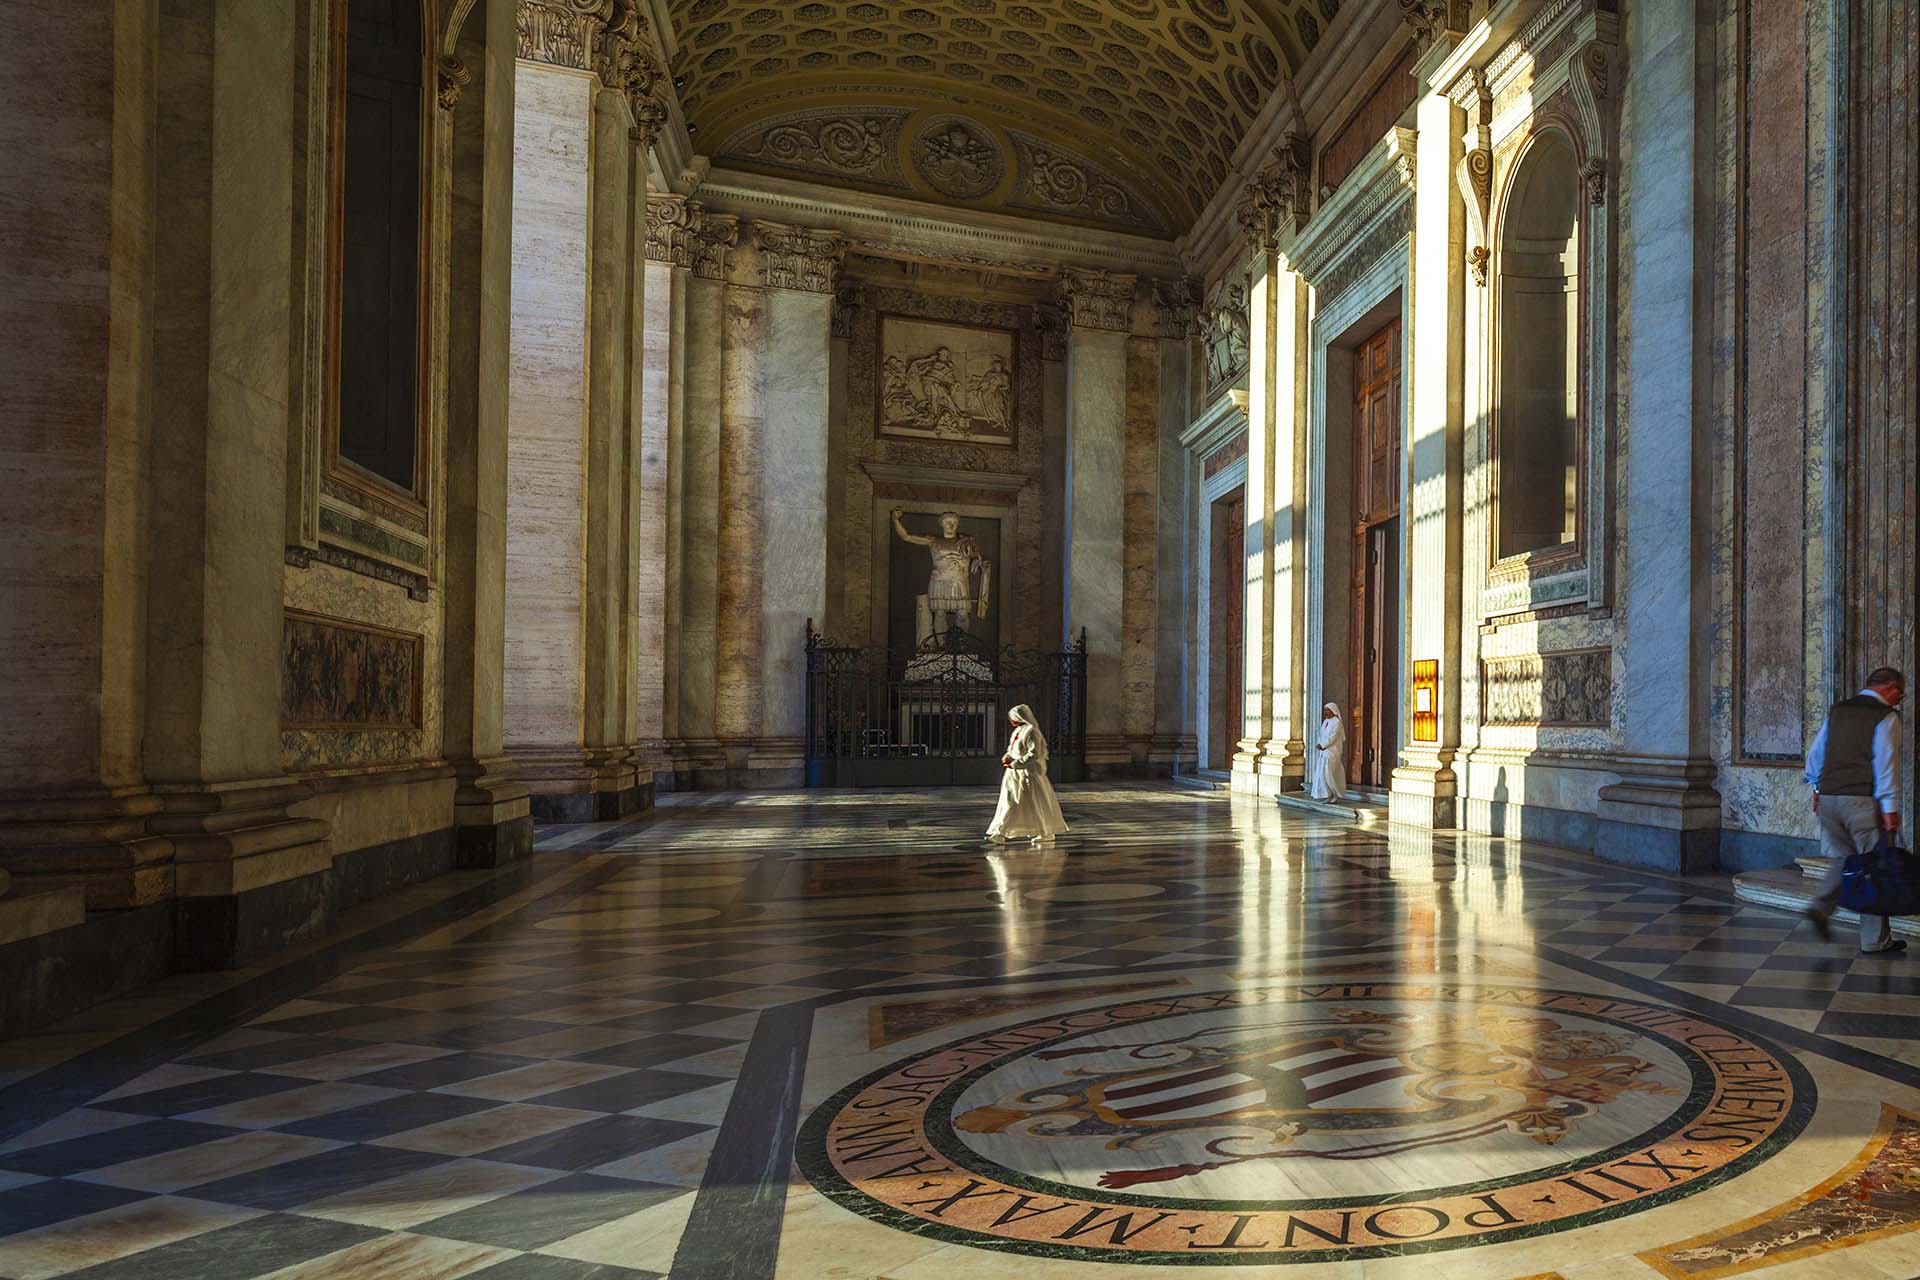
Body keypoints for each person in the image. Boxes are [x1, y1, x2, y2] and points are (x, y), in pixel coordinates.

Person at [1805, 666, 1907, 954]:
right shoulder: (1886, 716)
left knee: (1841, 860)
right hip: (1861, 801)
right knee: (1875, 866)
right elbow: (1885, 764)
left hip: (1828, 798)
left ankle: (1821, 908)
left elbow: (1816, 753)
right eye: (1900, 693)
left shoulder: (1837, 711)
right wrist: (1890, 808)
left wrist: (1816, 789)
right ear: (1889, 688)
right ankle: (1875, 940)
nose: (1899, 700)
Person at [987, 704, 1068, 845]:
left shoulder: (1032, 732)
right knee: (1014, 802)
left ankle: (999, 833)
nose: (1010, 720)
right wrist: (1007, 756)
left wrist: (1015, 763)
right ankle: (1045, 832)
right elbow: (1012, 749)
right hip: (1014, 775)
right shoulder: (1018, 731)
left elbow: (1034, 754)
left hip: (1028, 775)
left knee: (1023, 803)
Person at [1310, 702, 1347, 801]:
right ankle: (1328, 794)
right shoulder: (1326, 721)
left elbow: (1333, 737)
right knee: (1322, 774)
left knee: (1329, 773)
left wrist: (1323, 745)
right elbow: (1321, 735)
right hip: (1324, 752)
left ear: (1333, 711)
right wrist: (1319, 743)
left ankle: (1335, 794)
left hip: (1332, 752)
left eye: (1328, 710)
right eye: (1325, 710)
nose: (1326, 712)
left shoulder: (1337, 722)